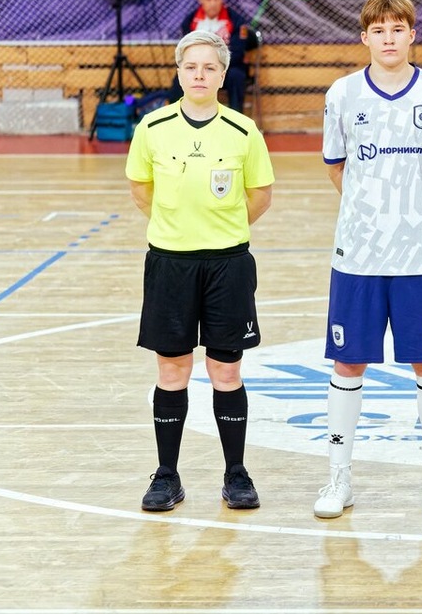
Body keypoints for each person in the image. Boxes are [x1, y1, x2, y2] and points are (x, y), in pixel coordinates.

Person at [315, 0, 422, 519]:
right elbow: (336, 166)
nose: (388, 39)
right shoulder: (342, 94)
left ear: (412, 34)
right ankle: (339, 478)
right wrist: (370, 212)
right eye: (378, 31)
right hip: (358, 255)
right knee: (348, 361)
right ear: (365, 37)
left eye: (397, 29)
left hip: (421, 256)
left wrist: (417, 212)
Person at [126, 30, 275, 512]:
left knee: (226, 370)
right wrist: (179, 228)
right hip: (170, 263)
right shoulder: (152, 127)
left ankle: (236, 474)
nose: (199, 75)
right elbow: (140, 188)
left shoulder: (243, 131)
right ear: (178, 72)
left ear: (222, 75)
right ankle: (167, 475)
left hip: (228, 264)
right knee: (172, 369)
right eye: (191, 67)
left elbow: (260, 195)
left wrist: (220, 228)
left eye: (210, 67)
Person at [175, 0, 255, 113]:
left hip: (227, 67)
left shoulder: (236, 20)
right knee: (181, 75)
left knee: (236, 76)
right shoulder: (190, 21)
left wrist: (214, 65)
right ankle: (180, 116)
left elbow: (237, 52)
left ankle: (235, 117)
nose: (213, 3)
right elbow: (185, 50)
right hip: (198, 66)